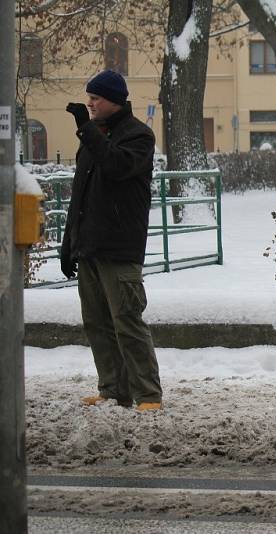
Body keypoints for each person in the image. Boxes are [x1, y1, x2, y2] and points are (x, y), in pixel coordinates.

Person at [60, 70, 163, 411]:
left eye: (97, 98)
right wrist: (69, 242)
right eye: (89, 97)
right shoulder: (92, 138)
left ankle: (147, 395)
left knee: (127, 322)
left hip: (119, 248)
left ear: (115, 101)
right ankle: (113, 390)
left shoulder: (139, 136)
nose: (90, 103)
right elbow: (81, 194)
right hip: (90, 246)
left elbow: (116, 165)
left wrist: (87, 131)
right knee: (97, 324)